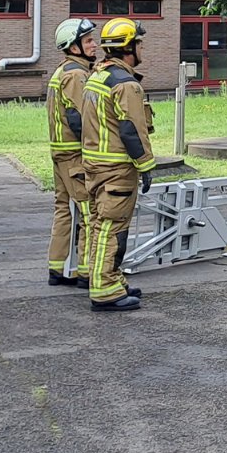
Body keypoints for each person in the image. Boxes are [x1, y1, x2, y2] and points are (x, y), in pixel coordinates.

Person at [81, 17, 155, 311]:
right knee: (112, 229)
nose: (142, 48)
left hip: (95, 165)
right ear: (128, 48)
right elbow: (130, 129)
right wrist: (146, 165)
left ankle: (110, 280)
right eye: (139, 43)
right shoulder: (126, 85)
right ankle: (104, 291)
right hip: (116, 170)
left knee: (99, 226)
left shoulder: (98, 77)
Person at [46, 18, 98, 288]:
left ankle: (58, 268)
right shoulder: (76, 75)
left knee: (64, 210)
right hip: (74, 156)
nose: (94, 45)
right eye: (88, 41)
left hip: (60, 153)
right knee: (90, 214)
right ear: (73, 46)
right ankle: (87, 273)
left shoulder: (62, 71)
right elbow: (83, 117)